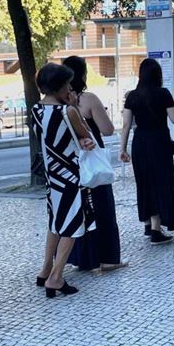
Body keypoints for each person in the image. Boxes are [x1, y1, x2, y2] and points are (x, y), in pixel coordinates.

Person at [30, 63, 99, 298]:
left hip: (52, 175)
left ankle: (45, 269)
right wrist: (74, 108)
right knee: (71, 225)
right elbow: (86, 134)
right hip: (70, 175)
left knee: (55, 223)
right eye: (68, 85)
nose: (71, 88)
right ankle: (56, 277)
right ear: (60, 87)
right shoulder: (66, 111)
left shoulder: (36, 110)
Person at [61, 56, 126, 273]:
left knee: (79, 209)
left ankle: (81, 257)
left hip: (71, 161)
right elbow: (107, 129)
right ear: (83, 74)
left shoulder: (58, 102)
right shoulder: (88, 99)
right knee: (102, 207)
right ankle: (108, 258)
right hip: (92, 159)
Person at [120, 59, 174, 244]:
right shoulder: (163, 93)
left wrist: (122, 149)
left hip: (140, 142)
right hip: (159, 142)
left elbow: (125, 124)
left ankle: (147, 223)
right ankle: (156, 229)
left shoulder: (132, 96)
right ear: (158, 75)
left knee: (144, 182)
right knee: (160, 182)